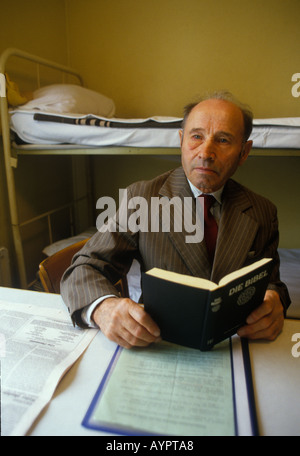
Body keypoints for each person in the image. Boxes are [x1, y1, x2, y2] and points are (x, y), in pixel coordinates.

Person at [60, 90, 290, 349]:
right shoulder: (142, 198)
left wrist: (275, 302)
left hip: (234, 347)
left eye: (223, 140)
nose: (206, 152)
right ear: (181, 141)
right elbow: (84, 268)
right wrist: (103, 307)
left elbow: (272, 282)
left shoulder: (263, 212)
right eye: (196, 136)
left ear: (244, 152)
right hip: (161, 343)